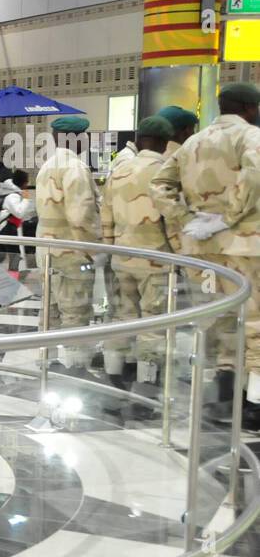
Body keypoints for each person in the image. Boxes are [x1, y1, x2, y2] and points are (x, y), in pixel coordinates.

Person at [151, 82, 260, 428]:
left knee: (216, 320)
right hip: (245, 245)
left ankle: (222, 391)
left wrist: (188, 219)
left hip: (201, 248)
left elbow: (159, 184)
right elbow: (256, 173)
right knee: (256, 323)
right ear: (250, 108)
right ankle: (254, 402)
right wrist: (227, 217)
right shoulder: (249, 137)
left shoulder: (193, 143)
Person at [100, 116, 175, 406]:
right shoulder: (164, 169)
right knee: (153, 324)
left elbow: (105, 212)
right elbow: (174, 217)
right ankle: (146, 387)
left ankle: (114, 377)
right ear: (165, 141)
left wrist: (110, 249)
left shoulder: (120, 168)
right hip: (155, 258)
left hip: (121, 257)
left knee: (121, 318)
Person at [36, 115, 103, 375]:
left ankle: (47, 364)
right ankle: (77, 368)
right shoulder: (75, 168)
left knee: (50, 311)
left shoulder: (48, 166)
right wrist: (95, 250)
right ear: (77, 138)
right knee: (76, 312)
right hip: (71, 252)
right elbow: (80, 217)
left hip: (47, 252)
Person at [0, 169, 37, 271]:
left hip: (7, 228)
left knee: (4, 256)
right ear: (23, 183)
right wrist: (26, 198)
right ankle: (13, 279)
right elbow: (19, 212)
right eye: (27, 182)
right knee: (15, 256)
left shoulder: (14, 194)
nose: (27, 184)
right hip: (6, 229)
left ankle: (9, 277)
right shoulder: (12, 196)